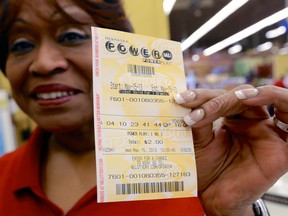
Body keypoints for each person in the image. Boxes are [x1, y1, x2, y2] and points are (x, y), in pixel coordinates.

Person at [0, 0, 287, 215]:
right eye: (21, 44)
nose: (44, 63)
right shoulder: (3, 176)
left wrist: (236, 209)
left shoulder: (197, 170)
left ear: (121, 49)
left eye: (71, 36)